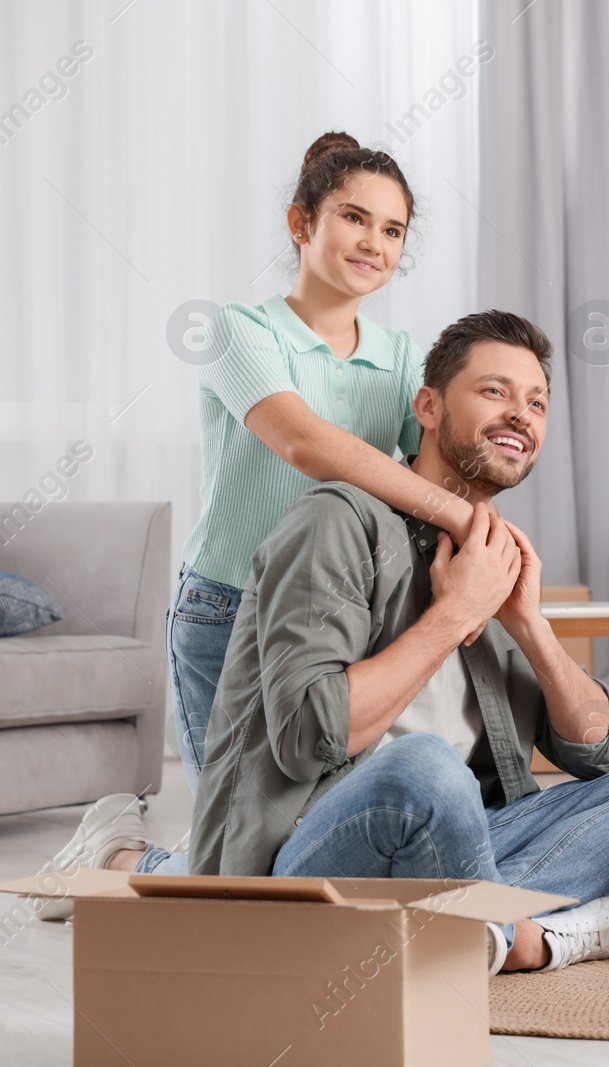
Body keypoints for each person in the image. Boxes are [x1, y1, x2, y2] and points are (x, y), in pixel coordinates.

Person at [44, 311, 609, 972]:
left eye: (536, 401)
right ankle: (520, 932)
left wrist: (528, 623)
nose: (522, 414)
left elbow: (599, 747)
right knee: (427, 768)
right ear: (426, 405)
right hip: (309, 854)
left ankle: (476, 924)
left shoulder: (497, 556)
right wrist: (454, 614)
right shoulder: (336, 521)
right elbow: (308, 736)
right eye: (494, 391)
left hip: (457, 838)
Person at [168, 131, 480, 797]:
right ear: (301, 222)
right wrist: (456, 510)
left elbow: (437, 470)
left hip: (333, 608)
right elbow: (305, 444)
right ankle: (122, 847)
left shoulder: (400, 357)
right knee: (233, 845)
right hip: (225, 610)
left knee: (313, 825)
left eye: (393, 229)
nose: (375, 242)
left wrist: (480, 525)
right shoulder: (238, 329)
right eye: (355, 218)